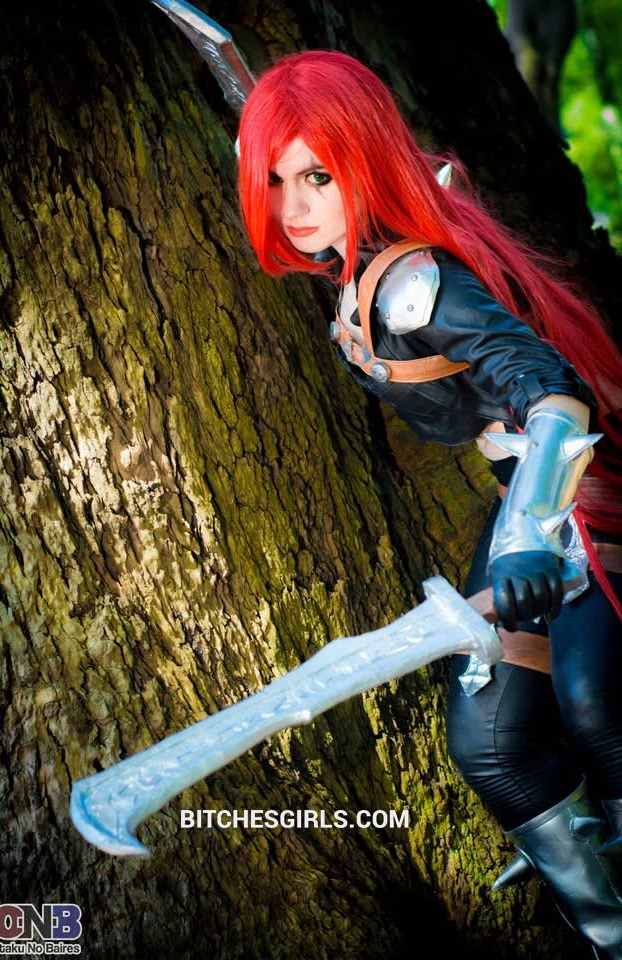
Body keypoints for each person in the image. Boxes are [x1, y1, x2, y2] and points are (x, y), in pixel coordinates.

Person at [236, 49, 622, 956]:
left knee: (594, 700)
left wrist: (528, 537)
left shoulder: (417, 287)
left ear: (366, 161)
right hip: (534, 497)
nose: (294, 208)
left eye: (320, 177)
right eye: (276, 180)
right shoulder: (363, 256)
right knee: (492, 747)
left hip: (591, 495)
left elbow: (553, 390)